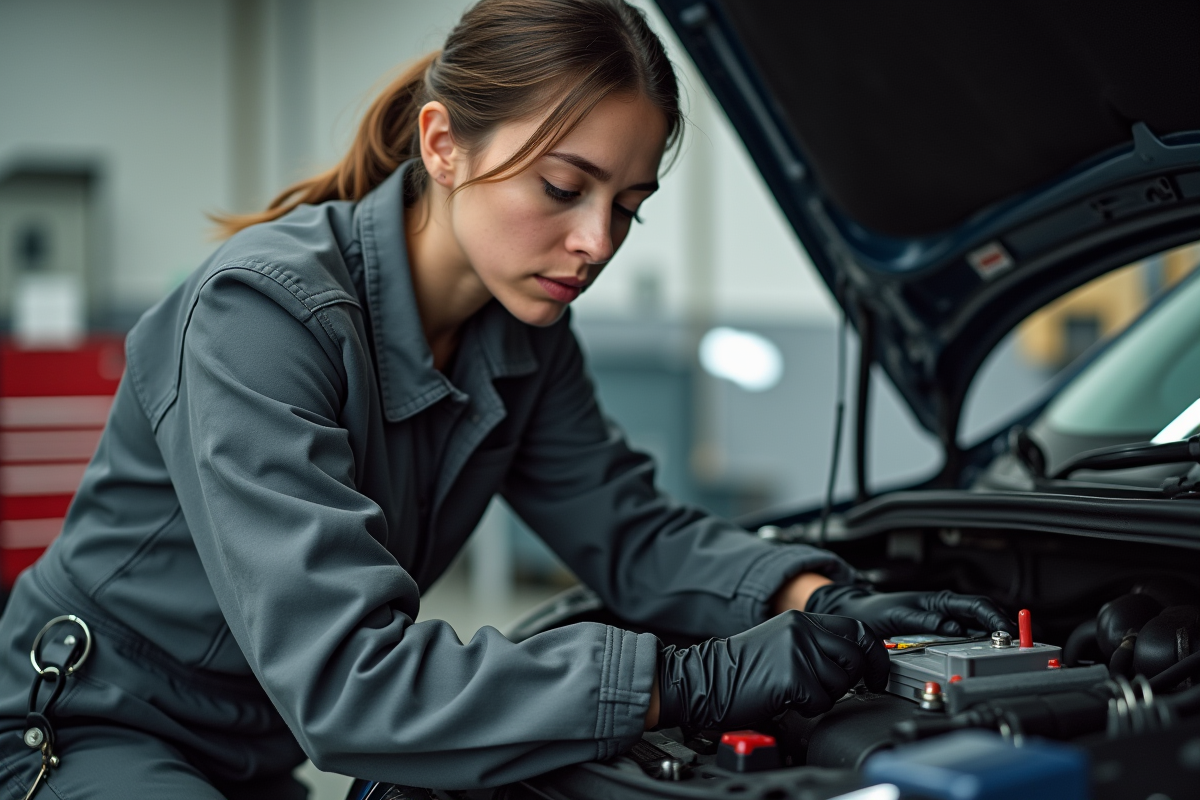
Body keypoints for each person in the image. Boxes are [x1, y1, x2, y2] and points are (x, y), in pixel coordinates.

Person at [0, 0, 1013, 795]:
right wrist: (689, 679)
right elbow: (354, 682)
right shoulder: (257, 318)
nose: (598, 243)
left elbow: (632, 531)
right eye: (564, 188)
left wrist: (816, 596)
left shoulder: (521, 337)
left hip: (250, 748)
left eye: (627, 206)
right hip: (92, 724)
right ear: (444, 145)